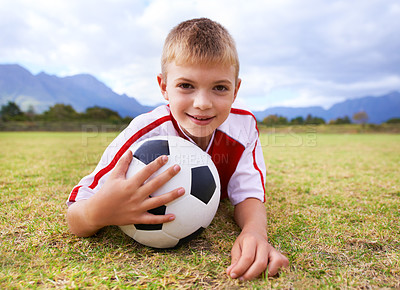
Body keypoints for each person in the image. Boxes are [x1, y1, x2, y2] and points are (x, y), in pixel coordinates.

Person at [66, 17, 289, 281]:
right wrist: (98, 212)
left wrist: (254, 232)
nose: (202, 103)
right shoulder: (144, 132)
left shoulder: (244, 126)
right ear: (164, 87)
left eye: (220, 87)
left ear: (236, 89)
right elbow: (75, 212)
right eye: (186, 85)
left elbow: (249, 194)